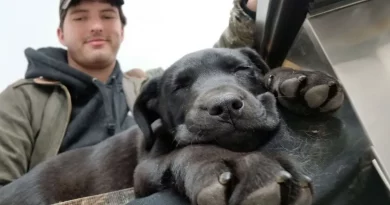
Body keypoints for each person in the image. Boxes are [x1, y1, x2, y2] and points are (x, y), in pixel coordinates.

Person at [0, 0, 259, 204]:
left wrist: (247, 13)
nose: (96, 26)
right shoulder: (23, 97)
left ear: (122, 31)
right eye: (80, 17)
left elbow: (211, 68)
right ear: (60, 33)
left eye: (107, 15)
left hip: (173, 183)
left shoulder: (152, 87)